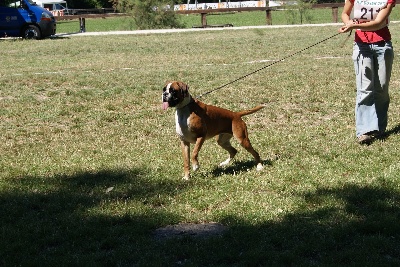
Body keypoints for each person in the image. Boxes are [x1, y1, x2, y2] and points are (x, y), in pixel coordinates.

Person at [338, 0, 396, 144]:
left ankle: (379, 128)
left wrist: (354, 25)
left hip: (383, 45)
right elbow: (345, 13)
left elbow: (378, 23)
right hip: (361, 46)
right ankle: (364, 131)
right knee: (365, 88)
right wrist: (347, 22)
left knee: (381, 89)